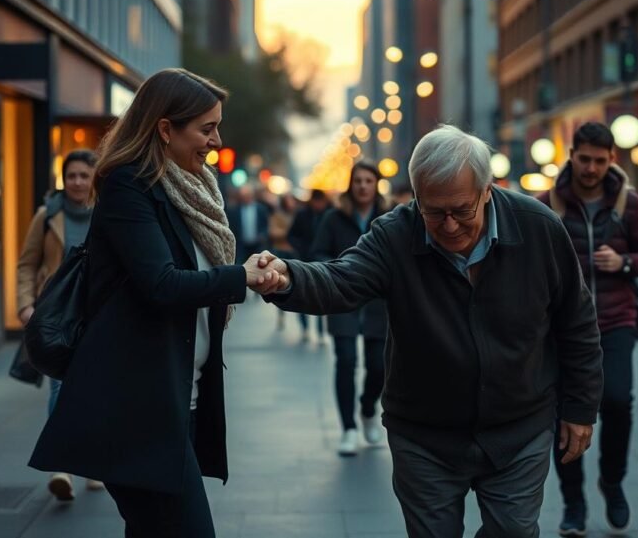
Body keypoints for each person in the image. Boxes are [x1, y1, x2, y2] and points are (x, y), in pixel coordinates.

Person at [257, 125, 603, 538]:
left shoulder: (538, 228)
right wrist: (288, 278)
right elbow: (341, 280)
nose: (450, 225)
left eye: (461, 210)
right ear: (417, 197)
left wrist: (581, 409)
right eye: (434, 212)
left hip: (519, 426)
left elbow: (577, 321)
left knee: (514, 532)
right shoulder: (395, 233)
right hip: (425, 435)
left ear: (486, 190)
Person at [28, 68, 285, 538]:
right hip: (136, 406)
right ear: (165, 129)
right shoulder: (130, 186)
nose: (216, 139)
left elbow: (196, 268)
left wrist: (245, 266)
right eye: (206, 128)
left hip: (177, 398)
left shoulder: (195, 190)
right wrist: (239, 278)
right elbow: (162, 284)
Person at [538, 121, 638, 536]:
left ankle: (612, 480)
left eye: (600, 160)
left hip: (614, 321)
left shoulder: (629, 204)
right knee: (564, 415)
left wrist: (623, 263)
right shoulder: (547, 204)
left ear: (612, 159)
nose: (591, 168)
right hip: (560, 331)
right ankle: (574, 503)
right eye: (584, 158)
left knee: (616, 401)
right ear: (571, 155)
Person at [15, 149, 100, 501]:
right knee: (59, 387)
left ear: (95, 178)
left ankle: (95, 463)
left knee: (99, 388)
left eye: (84, 175)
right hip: (56, 314)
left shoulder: (109, 211)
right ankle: (61, 465)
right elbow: (26, 264)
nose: (77, 182)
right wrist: (25, 306)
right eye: (71, 176)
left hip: (98, 312)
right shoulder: (47, 215)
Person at [310, 162, 389, 456]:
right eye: (358, 180)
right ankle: (348, 428)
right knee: (345, 361)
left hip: (378, 303)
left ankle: (368, 410)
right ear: (350, 184)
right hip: (342, 297)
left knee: (378, 365)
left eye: (369, 180)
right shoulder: (334, 218)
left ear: (376, 184)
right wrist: (337, 269)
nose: (363, 186)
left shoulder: (389, 216)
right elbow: (317, 252)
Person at [287, 189, 331, 342]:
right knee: (303, 294)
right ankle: (305, 327)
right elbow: (291, 235)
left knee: (321, 297)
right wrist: (300, 248)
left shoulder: (330, 215)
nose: (318, 205)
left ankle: (320, 331)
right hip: (304, 260)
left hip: (322, 262)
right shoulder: (302, 215)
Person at [268, 193, 300, 331]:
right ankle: (281, 313)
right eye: (288, 200)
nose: (291, 203)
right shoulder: (277, 215)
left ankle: (301, 319)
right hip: (280, 251)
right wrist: (288, 233)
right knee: (280, 283)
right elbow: (273, 232)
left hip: (294, 251)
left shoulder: (298, 215)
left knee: (298, 283)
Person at [227, 184, 270, 263]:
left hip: (257, 245)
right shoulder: (235, 210)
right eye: (243, 196)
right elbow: (233, 227)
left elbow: (266, 225)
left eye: (247, 195)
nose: (245, 198)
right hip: (241, 246)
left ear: (251, 195)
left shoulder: (261, 209)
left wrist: (263, 236)